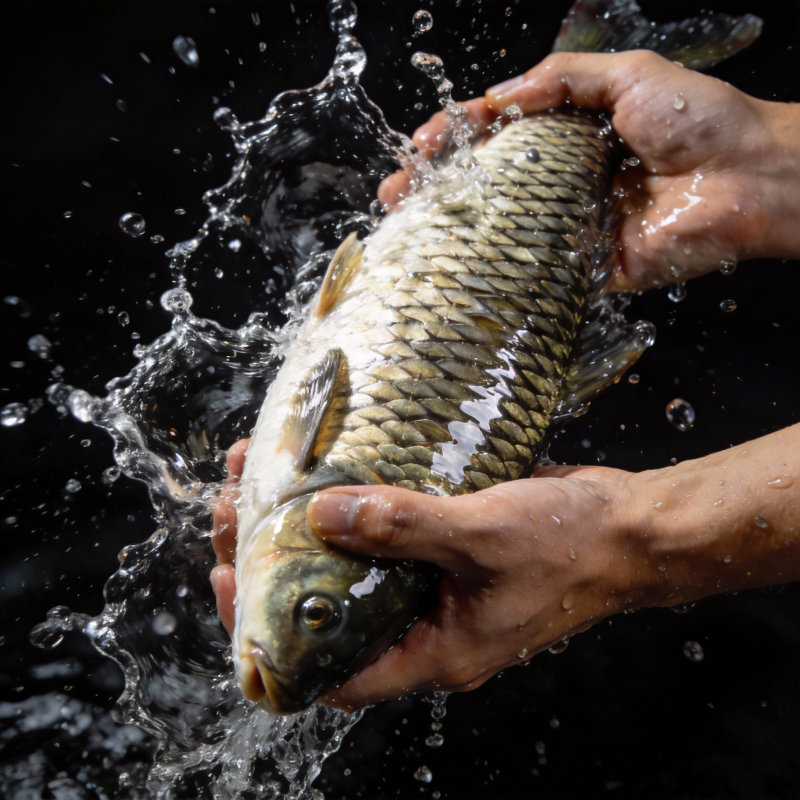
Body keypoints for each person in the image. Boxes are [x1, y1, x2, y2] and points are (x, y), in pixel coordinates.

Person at [210, 51, 800, 712]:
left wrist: (621, 544)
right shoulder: (301, 474)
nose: (292, 643)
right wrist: (768, 156)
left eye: (317, 613)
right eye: (314, 616)